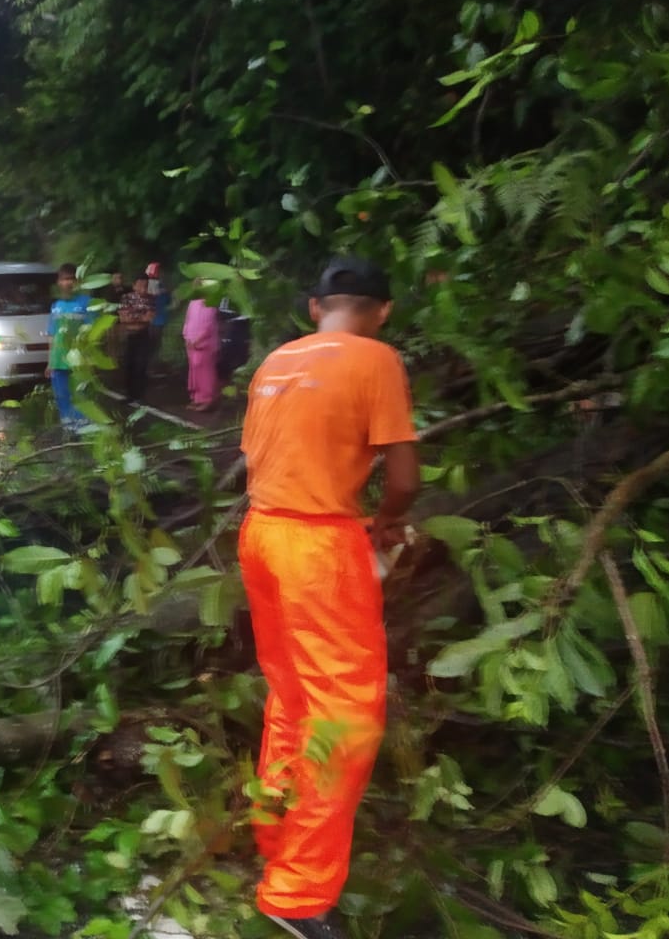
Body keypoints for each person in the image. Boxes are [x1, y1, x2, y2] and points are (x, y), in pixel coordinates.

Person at [237, 256, 420, 939]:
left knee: (292, 699)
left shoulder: (276, 362)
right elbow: (402, 474)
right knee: (346, 720)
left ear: (315, 308)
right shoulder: (375, 358)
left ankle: (273, 829)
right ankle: (298, 892)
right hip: (318, 547)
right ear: (383, 311)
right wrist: (391, 520)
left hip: (261, 535)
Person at [46, 263, 93, 430]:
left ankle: (83, 424)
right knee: (61, 394)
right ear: (59, 282)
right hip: (59, 358)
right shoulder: (56, 306)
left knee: (80, 393)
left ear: (77, 282)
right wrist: (50, 361)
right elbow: (51, 334)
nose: (68, 283)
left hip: (79, 359)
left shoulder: (86, 303)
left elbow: (92, 333)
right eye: (65, 279)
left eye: (71, 279)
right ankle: (67, 424)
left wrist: (89, 357)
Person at [117, 272, 155, 405]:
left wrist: (133, 317)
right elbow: (123, 318)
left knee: (141, 366)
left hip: (143, 335)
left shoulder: (150, 299)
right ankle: (129, 394)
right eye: (140, 285)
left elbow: (149, 318)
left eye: (145, 286)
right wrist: (139, 318)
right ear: (134, 286)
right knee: (129, 365)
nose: (143, 289)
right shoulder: (126, 298)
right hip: (130, 335)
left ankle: (140, 396)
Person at [182, 292, 220, 411]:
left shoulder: (211, 304)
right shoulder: (192, 303)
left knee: (205, 371)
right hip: (191, 343)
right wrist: (186, 337)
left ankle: (207, 399)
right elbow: (187, 321)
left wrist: (198, 340)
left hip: (205, 344)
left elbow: (208, 326)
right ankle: (197, 398)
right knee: (194, 371)